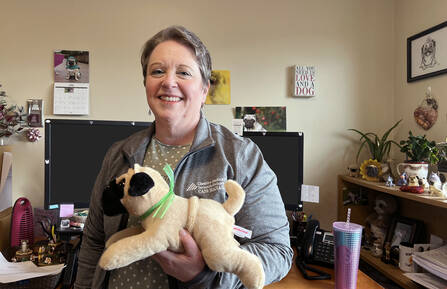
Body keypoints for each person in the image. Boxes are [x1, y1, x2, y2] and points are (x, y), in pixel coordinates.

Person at [74, 25, 292, 289]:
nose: (168, 81)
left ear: (204, 89)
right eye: (157, 71)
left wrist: (206, 276)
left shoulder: (240, 156)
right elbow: (94, 243)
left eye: (184, 73)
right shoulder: (119, 154)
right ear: (146, 84)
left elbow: (277, 251)